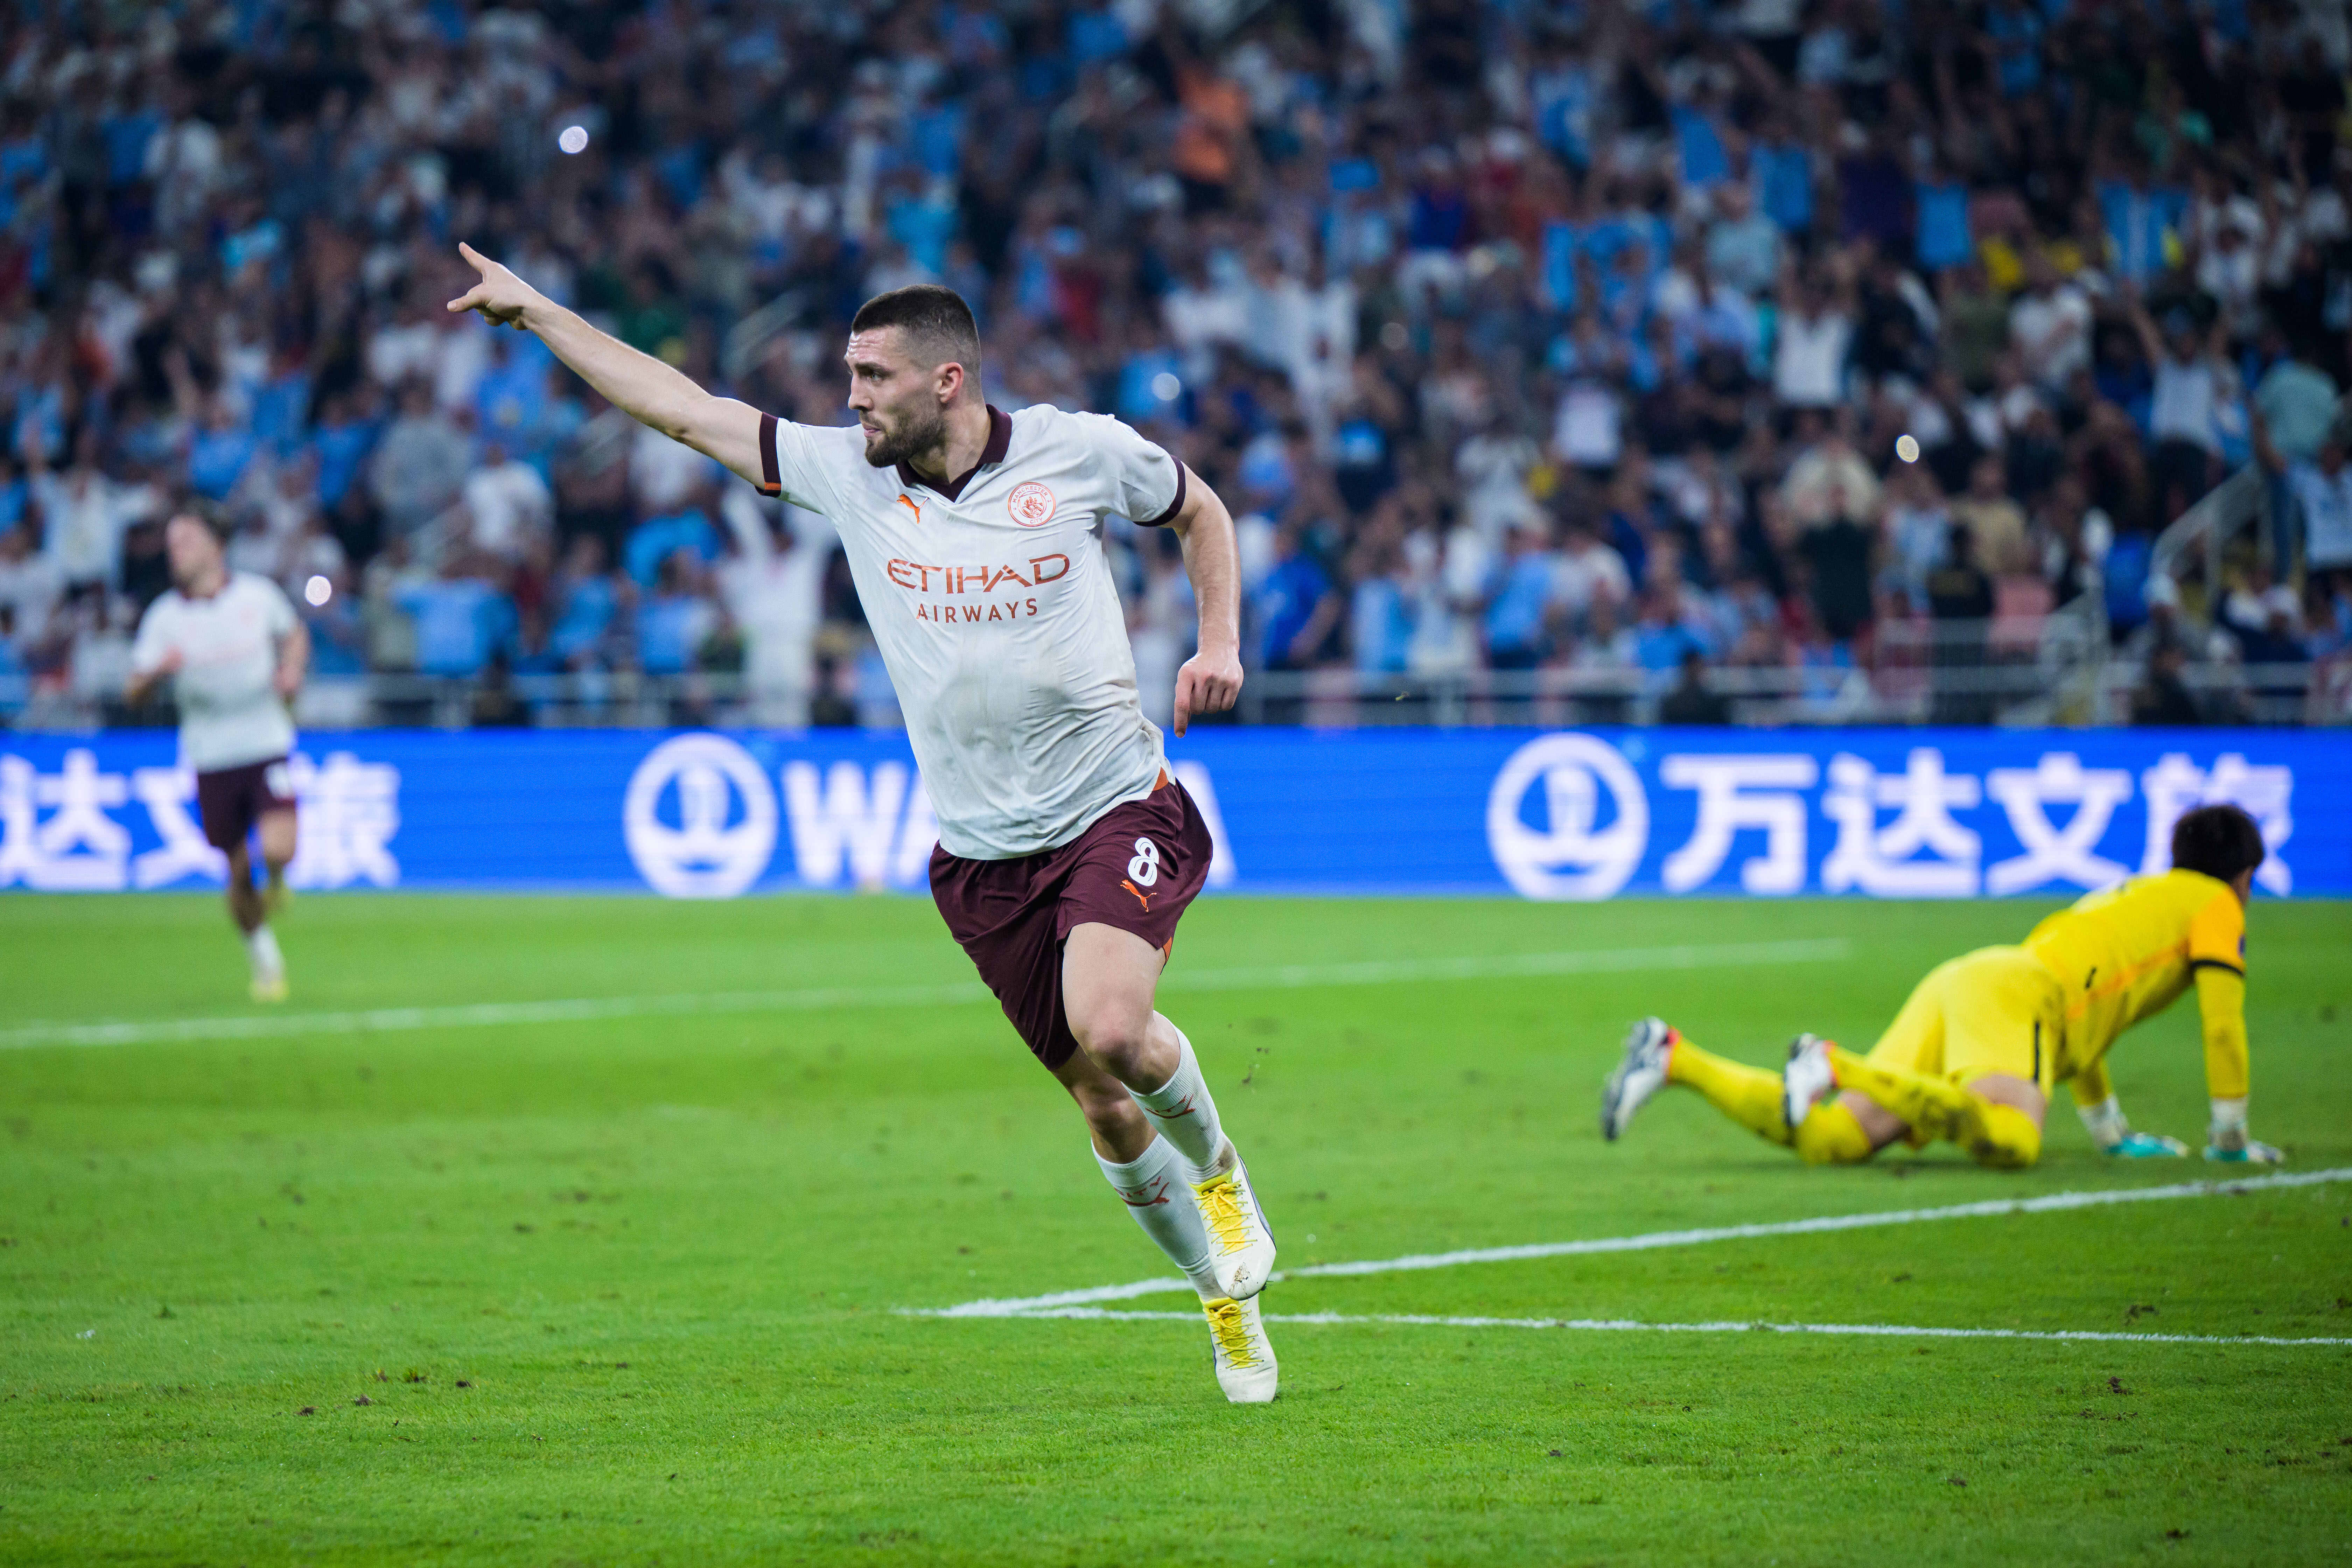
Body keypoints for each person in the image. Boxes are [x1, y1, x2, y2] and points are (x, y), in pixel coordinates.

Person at [447, 246, 1280, 1402]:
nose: (852, 399)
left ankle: (1223, 1175)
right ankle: (1222, 1303)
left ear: (946, 380)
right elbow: (684, 410)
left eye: (872, 376)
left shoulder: (1077, 451)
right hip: (983, 858)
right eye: (849, 376)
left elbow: (1200, 511)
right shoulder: (849, 475)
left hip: (1115, 804)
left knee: (1112, 1025)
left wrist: (1219, 640)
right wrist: (542, 312)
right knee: (1099, 1097)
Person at [1600, 805, 2282, 1170]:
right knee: (2014, 1142)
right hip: (2017, 995)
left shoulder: (2132, 897)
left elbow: (2085, 1020)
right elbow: (2222, 1025)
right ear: (2244, 876)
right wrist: (2229, 1137)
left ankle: (1675, 1057)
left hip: (1976, 982)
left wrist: (2110, 1132)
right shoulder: (2216, 905)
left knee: (1835, 1140)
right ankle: (1833, 1064)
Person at [123, 506, 309, 1003]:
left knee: (279, 848)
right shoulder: (165, 617)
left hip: (266, 743)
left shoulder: (257, 596)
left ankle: (277, 879)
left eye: (186, 541)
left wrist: (291, 671)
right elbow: (132, 690)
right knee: (237, 869)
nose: (175, 553)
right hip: (210, 756)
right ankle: (266, 962)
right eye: (172, 544)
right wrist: (156, 673)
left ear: (215, 546)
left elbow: (294, 633)